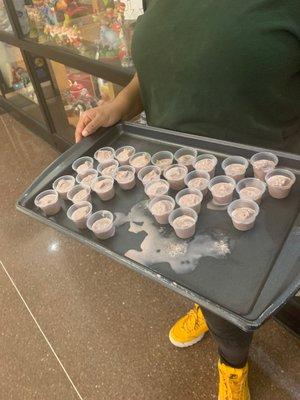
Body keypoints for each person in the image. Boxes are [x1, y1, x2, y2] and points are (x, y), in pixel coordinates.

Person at [75, 1, 300, 399]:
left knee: (240, 280)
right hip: (179, 176)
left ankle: (232, 362)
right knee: (194, 260)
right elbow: (158, 70)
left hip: (262, 184)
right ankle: (210, 314)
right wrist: (119, 104)